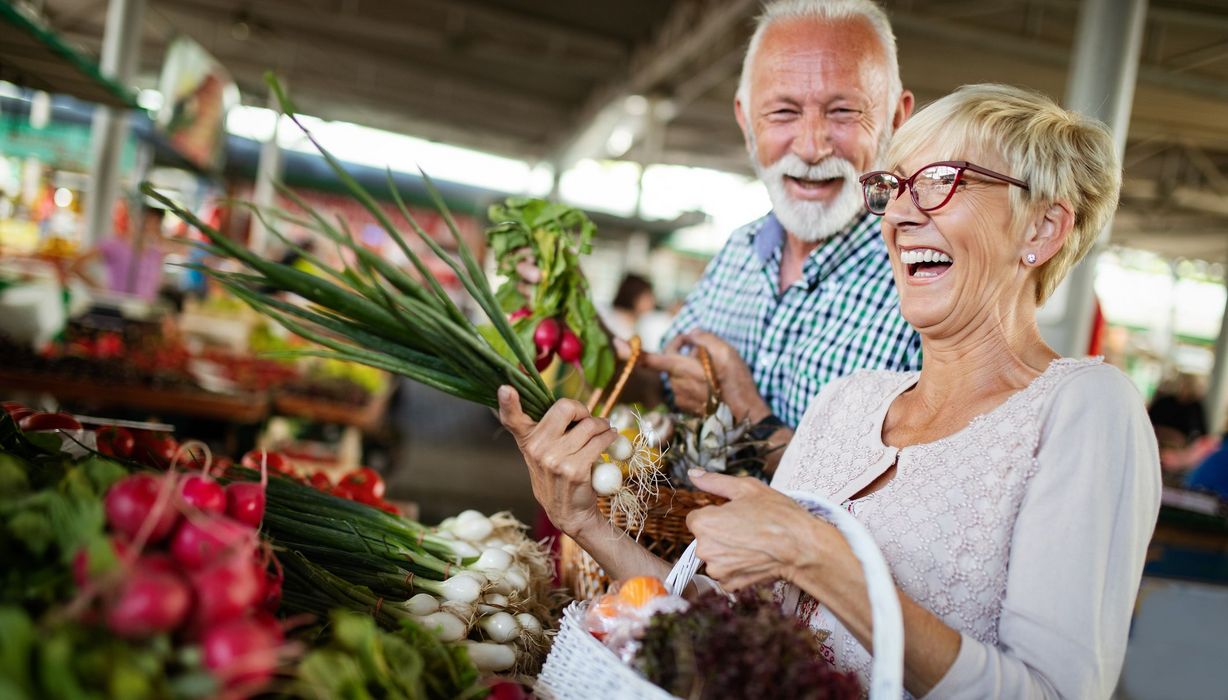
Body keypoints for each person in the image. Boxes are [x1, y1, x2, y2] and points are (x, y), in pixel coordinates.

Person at [498, 83, 1161, 697]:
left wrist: (819, 557)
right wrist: (585, 523)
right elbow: (742, 635)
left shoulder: (1084, 408)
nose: (900, 213)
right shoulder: (848, 401)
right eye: (893, 187)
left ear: (1043, 229)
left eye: (938, 182)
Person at [640, 0, 921, 448]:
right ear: (745, 120)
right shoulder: (740, 248)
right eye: (784, 112)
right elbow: (664, 385)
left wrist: (743, 407)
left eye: (843, 111)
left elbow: (904, 492)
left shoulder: (922, 280)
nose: (811, 147)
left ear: (895, 118)